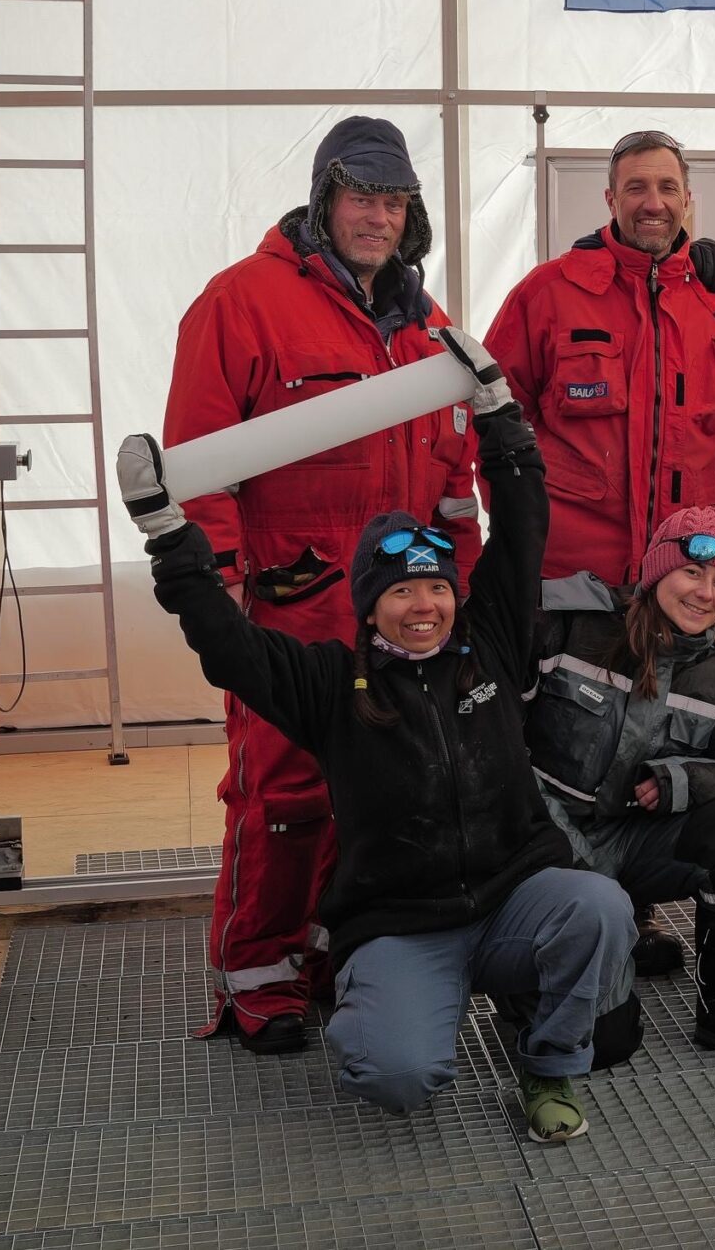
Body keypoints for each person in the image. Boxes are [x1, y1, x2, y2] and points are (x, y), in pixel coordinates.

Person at [120, 332, 632, 1139]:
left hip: (512, 898)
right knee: (395, 1074)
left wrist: (498, 414)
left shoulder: (490, 641)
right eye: (400, 592)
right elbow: (228, 644)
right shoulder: (330, 682)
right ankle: (398, 1001)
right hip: (402, 922)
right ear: (368, 604)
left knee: (600, 905)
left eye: (435, 585)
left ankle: (549, 1066)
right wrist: (166, 534)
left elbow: (523, 526)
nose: (423, 603)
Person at [162, 115, 484, 1055]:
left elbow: (452, 480)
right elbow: (198, 461)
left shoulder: (428, 329)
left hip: (399, 613)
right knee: (284, 791)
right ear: (323, 199)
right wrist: (217, 583)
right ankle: (255, 975)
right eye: (360, 196)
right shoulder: (242, 302)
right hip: (289, 606)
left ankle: (327, 954)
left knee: (375, 785)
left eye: (393, 200)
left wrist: (455, 590)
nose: (376, 216)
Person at [524, 506, 715, 1069]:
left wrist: (688, 781)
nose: (707, 594)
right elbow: (494, 742)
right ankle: (531, 984)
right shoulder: (569, 627)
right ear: (655, 574)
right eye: (693, 574)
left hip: (636, 847)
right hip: (540, 841)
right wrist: (552, 834)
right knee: (605, 1045)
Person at [484, 129, 715, 590]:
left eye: (667, 188)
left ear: (686, 199)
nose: (652, 203)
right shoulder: (549, 293)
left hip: (688, 570)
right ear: (610, 198)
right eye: (635, 188)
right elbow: (487, 414)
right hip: (568, 573)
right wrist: (518, 527)